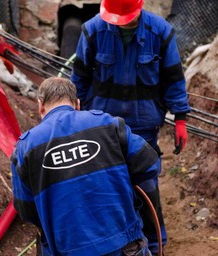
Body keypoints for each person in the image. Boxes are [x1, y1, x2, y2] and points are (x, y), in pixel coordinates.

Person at [70, 0, 191, 254]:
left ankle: (156, 244)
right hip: (101, 124)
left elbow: (173, 77)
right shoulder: (93, 30)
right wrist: (74, 115)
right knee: (104, 183)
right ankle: (113, 242)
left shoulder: (160, 31)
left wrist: (180, 118)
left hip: (143, 124)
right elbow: (79, 78)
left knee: (145, 184)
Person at [11, 77, 161, 256]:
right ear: (77, 104)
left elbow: (26, 210)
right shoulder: (108, 124)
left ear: (40, 105)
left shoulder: (25, 148)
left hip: (67, 249)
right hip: (123, 246)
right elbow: (150, 165)